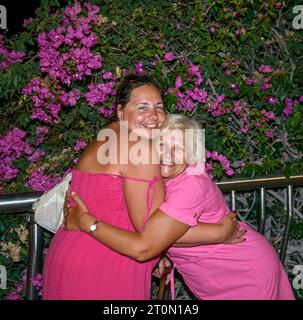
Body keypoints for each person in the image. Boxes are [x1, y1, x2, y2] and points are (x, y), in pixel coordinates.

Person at [42, 75, 239, 300]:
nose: (153, 116)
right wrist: (222, 232)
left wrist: (159, 255)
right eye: (142, 107)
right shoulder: (142, 149)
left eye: (159, 107)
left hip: (69, 257)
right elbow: (147, 243)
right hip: (105, 268)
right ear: (121, 112)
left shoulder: (104, 140)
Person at [65, 114, 295, 300]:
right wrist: (163, 254)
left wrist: (88, 223)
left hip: (242, 271)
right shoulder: (157, 179)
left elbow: (150, 240)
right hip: (214, 276)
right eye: (162, 144)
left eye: (179, 148)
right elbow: (166, 229)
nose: (168, 154)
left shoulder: (191, 185)